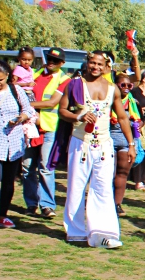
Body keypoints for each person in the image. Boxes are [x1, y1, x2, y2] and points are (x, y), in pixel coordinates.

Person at [58, 51, 135, 248]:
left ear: (106, 66)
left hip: (104, 143)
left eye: (100, 64)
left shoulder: (113, 89)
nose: (95, 67)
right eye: (92, 63)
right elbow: (62, 110)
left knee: (102, 188)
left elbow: (123, 117)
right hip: (80, 142)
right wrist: (78, 117)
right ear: (88, 63)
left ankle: (104, 232)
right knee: (76, 187)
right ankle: (75, 231)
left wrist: (131, 143)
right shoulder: (75, 84)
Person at [0, 60, 36, 229]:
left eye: (0, 80)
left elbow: (28, 110)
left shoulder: (16, 90)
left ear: (7, 77)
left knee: (8, 181)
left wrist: (21, 118)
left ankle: (2, 215)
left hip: (13, 143)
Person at [22, 47, 69, 217]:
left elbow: (51, 103)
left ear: (62, 63)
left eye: (55, 61)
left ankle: (47, 205)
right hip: (30, 127)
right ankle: (31, 203)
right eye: (49, 58)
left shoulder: (64, 79)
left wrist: (26, 106)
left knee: (45, 167)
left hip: (49, 128)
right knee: (27, 167)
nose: (51, 62)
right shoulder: (33, 74)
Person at [111, 73, 141, 216]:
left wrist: (138, 124)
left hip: (126, 141)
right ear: (116, 85)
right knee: (107, 174)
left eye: (129, 85)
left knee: (122, 173)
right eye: (123, 85)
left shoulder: (133, 102)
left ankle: (117, 204)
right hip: (109, 139)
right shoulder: (109, 99)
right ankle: (105, 202)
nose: (126, 88)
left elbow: (141, 119)